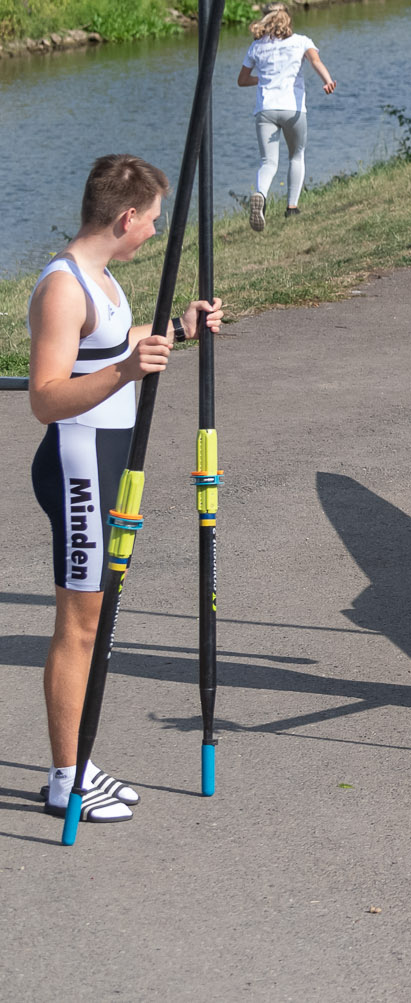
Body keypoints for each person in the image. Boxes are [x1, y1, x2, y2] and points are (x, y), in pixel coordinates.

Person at [28, 155, 223, 824]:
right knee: (80, 625)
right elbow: (47, 398)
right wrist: (126, 371)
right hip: (79, 462)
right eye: (153, 222)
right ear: (126, 217)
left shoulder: (102, 278)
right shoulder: (62, 286)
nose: (154, 233)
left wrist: (175, 329)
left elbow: (113, 345)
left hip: (110, 462)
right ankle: (63, 776)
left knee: (98, 618)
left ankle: (80, 762)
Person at [236, 6, 336, 230]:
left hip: (265, 110)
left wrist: (264, 80)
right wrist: (327, 80)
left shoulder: (256, 47)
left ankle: (260, 195)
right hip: (293, 109)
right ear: (288, 22)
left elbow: (242, 80)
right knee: (296, 155)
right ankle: (292, 207)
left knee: (268, 162)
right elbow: (315, 62)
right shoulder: (302, 41)